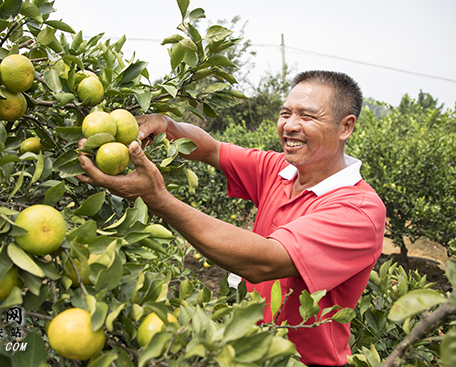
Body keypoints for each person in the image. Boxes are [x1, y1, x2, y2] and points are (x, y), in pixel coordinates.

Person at [77, 70, 386, 367]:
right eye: (285, 113)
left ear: (346, 126)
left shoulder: (358, 210)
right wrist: (168, 126)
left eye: (307, 116)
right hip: (240, 349)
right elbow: (212, 149)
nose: (290, 126)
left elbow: (263, 262)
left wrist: (158, 200)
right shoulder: (278, 169)